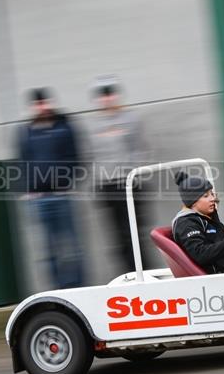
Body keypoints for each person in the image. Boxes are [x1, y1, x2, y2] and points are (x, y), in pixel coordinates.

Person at [17, 87, 86, 289]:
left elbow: (75, 156)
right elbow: (23, 162)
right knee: (48, 249)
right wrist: (29, 190)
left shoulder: (64, 126)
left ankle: (77, 286)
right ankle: (57, 289)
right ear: (32, 107)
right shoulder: (27, 131)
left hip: (62, 195)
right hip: (39, 199)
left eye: (45, 102)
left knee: (71, 246)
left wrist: (69, 182)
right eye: (38, 104)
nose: (43, 107)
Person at [85, 76, 150, 272]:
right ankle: (126, 274)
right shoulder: (92, 126)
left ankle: (142, 272)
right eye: (102, 96)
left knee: (135, 234)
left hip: (130, 183)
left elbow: (141, 149)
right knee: (116, 235)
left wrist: (134, 173)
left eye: (110, 94)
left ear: (116, 96)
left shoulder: (131, 119)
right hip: (107, 185)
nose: (107, 99)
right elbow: (91, 156)